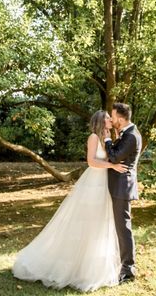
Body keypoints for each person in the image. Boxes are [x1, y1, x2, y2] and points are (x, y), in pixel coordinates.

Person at [12, 110, 128, 292]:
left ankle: (90, 266)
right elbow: (91, 161)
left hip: (103, 183)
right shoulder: (92, 137)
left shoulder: (107, 136)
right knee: (87, 223)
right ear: (100, 120)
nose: (110, 120)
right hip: (93, 184)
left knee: (98, 224)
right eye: (107, 117)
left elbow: (110, 155)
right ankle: (74, 266)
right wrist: (112, 165)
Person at [104, 102, 142, 283]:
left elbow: (113, 156)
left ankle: (128, 270)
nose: (111, 120)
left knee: (123, 228)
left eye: (112, 117)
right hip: (118, 185)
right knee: (120, 226)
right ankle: (120, 263)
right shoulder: (126, 134)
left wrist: (107, 140)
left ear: (120, 118)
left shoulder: (132, 136)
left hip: (122, 186)